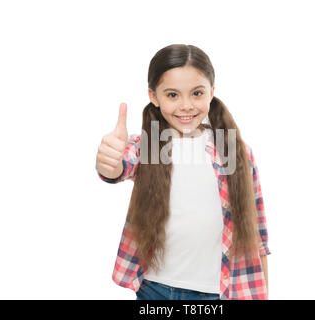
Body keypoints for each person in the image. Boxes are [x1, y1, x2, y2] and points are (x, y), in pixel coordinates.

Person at [95, 44, 271, 300]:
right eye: (172, 95)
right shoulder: (147, 145)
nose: (186, 105)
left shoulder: (236, 151)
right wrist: (110, 164)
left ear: (211, 92)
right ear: (154, 96)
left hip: (215, 293)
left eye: (197, 93)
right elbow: (118, 167)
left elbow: (258, 235)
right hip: (154, 289)